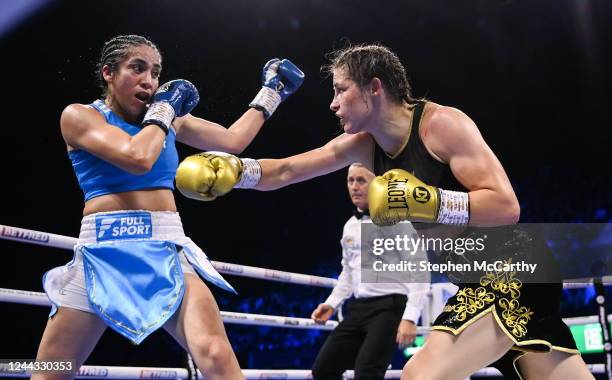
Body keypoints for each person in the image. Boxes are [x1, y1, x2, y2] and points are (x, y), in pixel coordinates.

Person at [175, 44, 594, 380]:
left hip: (512, 269)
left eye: (341, 89)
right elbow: (286, 170)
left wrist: (430, 200)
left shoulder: (442, 125)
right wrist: (234, 171)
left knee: (421, 376)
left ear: (374, 87)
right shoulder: (364, 145)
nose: (333, 103)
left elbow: (507, 207)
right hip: (475, 277)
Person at [35, 34, 304, 380]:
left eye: (155, 72)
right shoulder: (80, 117)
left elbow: (232, 141)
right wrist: (164, 110)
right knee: (50, 371)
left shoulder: (169, 120)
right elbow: (137, 157)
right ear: (108, 74)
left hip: (164, 248)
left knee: (216, 353)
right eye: (137, 68)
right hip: (100, 254)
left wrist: (272, 91)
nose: (149, 80)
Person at [310, 163, 429, 380]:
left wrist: (410, 317)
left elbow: (419, 269)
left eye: (361, 180)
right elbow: (348, 271)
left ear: (376, 184)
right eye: (350, 180)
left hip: (389, 307)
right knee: (323, 369)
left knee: (367, 373)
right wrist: (331, 303)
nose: (354, 186)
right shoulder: (350, 226)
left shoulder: (398, 220)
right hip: (357, 308)